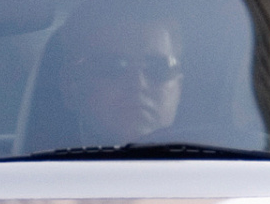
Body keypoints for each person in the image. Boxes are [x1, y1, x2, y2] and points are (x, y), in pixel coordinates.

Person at [52, 17, 184, 145]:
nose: (138, 84)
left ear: (180, 87)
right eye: (112, 67)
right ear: (71, 85)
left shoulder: (202, 166)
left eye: (159, 68)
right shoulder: (38, 167)